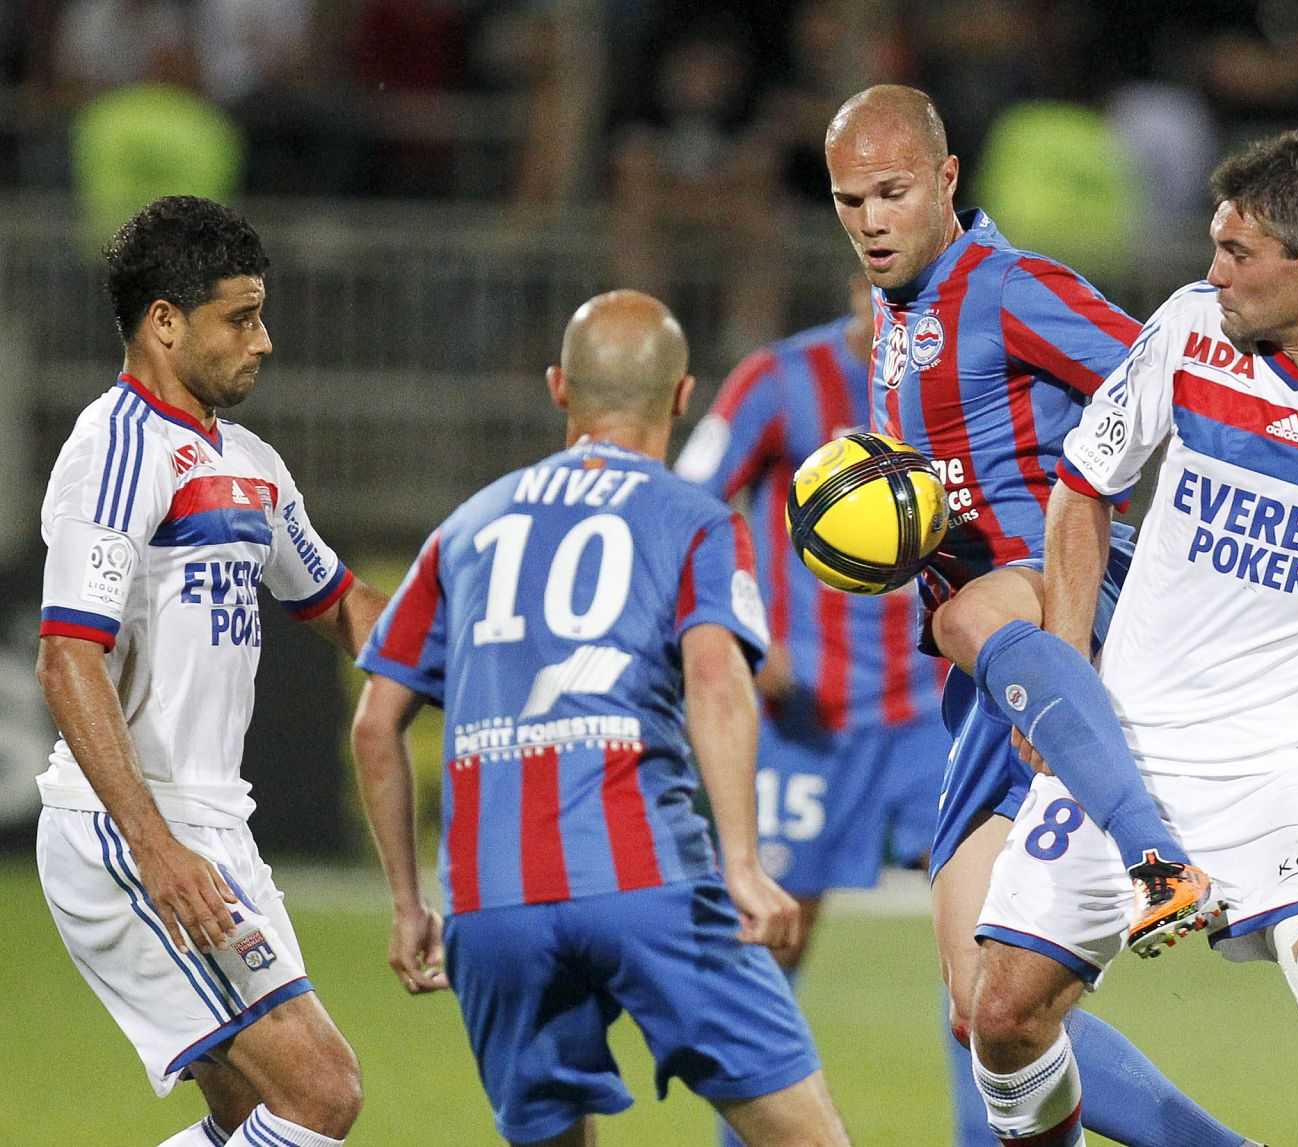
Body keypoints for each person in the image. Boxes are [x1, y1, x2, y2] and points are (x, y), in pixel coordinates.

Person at [978, 128, 1298, 1146]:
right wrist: (1071, 674)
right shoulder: (1185, 331)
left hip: (1287, 765)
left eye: (1236, 253)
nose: (1212, 273)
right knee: (998, 1017)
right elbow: (1084, 493)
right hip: (1126, 742)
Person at [825, 85, 1260, 1147]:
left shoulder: (1008, 288)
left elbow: (1165, 380)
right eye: (849, 200)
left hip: (1063, 602)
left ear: (944, 180)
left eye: (890, 193)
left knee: (970, 605)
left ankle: (1157, 854)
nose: (871, 219)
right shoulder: (895, 313)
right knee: (984, 1012)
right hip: (983, 680)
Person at [349, 289, 851, 1147]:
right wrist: (742, 861)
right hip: (647, 881)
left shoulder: (465, 527)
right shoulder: (694, 519)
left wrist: (406, 901)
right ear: (685, 396)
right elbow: (718, 681)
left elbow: (374, 723)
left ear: (557, 387)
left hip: (491, 903)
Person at [34, 195, 387, 1147]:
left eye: (260, 314)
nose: (263, 340)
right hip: (129, 832)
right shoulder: (116, 448)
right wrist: (153, 845)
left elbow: (343, 604)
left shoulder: (251, 465)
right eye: (240, 317)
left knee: (250, 1116)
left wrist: (471, 665)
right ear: (163, 323)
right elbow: (69, 655)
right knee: (322, 1093)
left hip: (211, 827)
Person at [674, 276, 991, 1146]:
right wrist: (743, 627)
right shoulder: (777, 380)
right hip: (808, 717)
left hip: (938, 710)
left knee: (983, 948)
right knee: (773, 946)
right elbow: (686, 505)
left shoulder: (963, 381)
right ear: (858, 281)